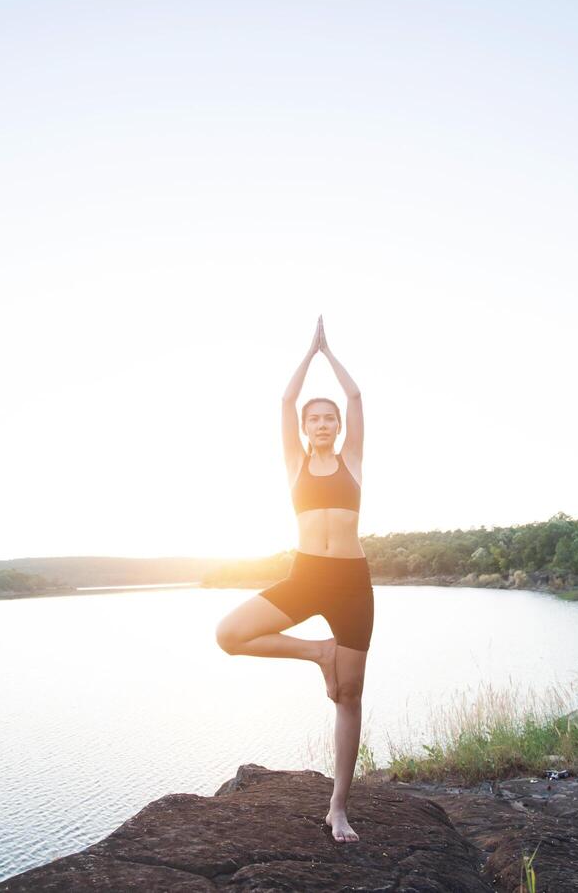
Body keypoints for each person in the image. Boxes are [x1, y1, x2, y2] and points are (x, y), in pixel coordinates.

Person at [215, 315, 374, 843]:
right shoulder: (294, 464)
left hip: (352, 582)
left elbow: (356, 396)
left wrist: (333, 357)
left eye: (330, 418)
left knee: (349, 695)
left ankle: (338, 807)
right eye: (316, 419)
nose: (324, 423)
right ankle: (317, 652)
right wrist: (309, 352)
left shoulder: (351, 460)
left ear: (339, 427)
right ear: (306, 430)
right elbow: (285, 403)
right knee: (230, 634)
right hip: (306, 576)